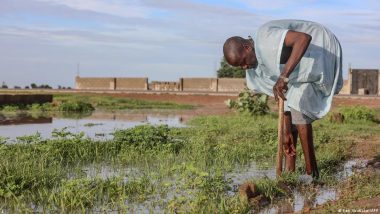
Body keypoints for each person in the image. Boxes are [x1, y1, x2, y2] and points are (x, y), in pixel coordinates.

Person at [223, 19, 343, 178]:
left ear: (247, 47)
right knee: (290, 122)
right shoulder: (258, 66)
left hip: (321, 49)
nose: (244, 67)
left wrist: (284, 77)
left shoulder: (266, 39)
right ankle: (289, 173)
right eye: (240, 66)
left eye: (243, 62)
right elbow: (281, 96)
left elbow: (303, 39)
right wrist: (286, 132)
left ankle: (312, 174)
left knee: (299, 110)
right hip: (297, 69)